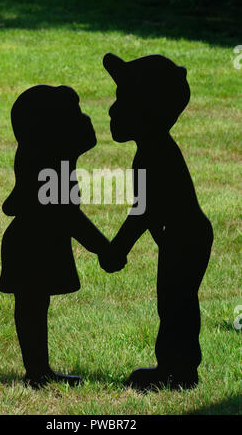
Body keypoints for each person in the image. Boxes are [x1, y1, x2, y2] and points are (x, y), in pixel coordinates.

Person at [0, 84, 126, 389]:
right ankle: (37, 372)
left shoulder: (54, 166)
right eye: (75, 115)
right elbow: (70, 217)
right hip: (32, 245)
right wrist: (105, 249)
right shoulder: (51, 170)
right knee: (32, 304)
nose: (85, 119)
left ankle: (39, 370)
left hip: (39, 241)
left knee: (34, 304)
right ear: (50, 134)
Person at [100, 53, 214, 391]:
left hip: (186, 238)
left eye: (122, 101)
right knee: (174, 300)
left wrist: (117, 249)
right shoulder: (152, 148)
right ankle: (175, 368)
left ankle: (179, 372)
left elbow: (144, 210)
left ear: (146, 109)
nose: (112, 110)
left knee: (175, 301)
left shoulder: (154, 153)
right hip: (181, 237)